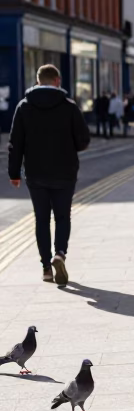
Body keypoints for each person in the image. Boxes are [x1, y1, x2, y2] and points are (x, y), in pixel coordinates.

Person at [7, 63, 91, 284]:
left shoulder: (23, 106)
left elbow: (15, 143)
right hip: (65, 172)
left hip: (36, 173)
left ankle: (46, 268)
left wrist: (13, 173)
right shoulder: (69, 107)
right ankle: (60, 253)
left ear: (37, 81)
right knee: (63, 216)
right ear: (57, 81)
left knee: (41, 219)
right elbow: (83, 141)